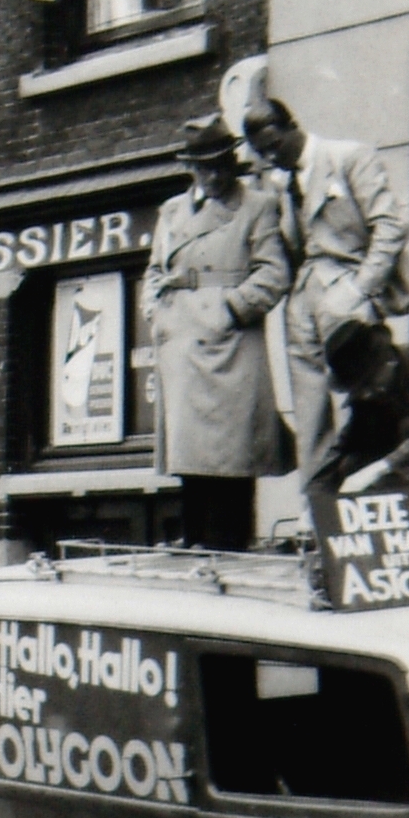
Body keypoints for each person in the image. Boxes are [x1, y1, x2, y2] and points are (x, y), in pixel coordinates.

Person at [243, 98, 409, 482]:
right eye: (263, 153)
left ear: (293, 126)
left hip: (347, 289)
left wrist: (361, 288)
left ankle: (371, 493)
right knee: (309, 413)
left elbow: (390, 226)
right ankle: (317, 504)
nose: (272, 157)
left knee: (366, 403)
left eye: (275, 145)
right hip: (302, 301)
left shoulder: (348, 157)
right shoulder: (280, 183)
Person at [143, 114, 292, 550]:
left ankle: (228, 542)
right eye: (203, 167)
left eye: (220, 165)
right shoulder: (171, 211)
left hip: (228, 342)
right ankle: (193, 536)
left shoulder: (257, 206)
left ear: (232, 163)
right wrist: (155, 310)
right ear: (190, 167)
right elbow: (154, 270)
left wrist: (229, 309)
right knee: (189, 447)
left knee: (231, 446)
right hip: (179, 336)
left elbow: (274, 273)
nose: (213, 176)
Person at [314, 316, 409, 494]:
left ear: (389, 363)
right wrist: (315, 496)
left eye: (368, 383)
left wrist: (383, 467)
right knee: (356, 457)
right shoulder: (371, 394)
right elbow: (345, 446)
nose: (365, 394)